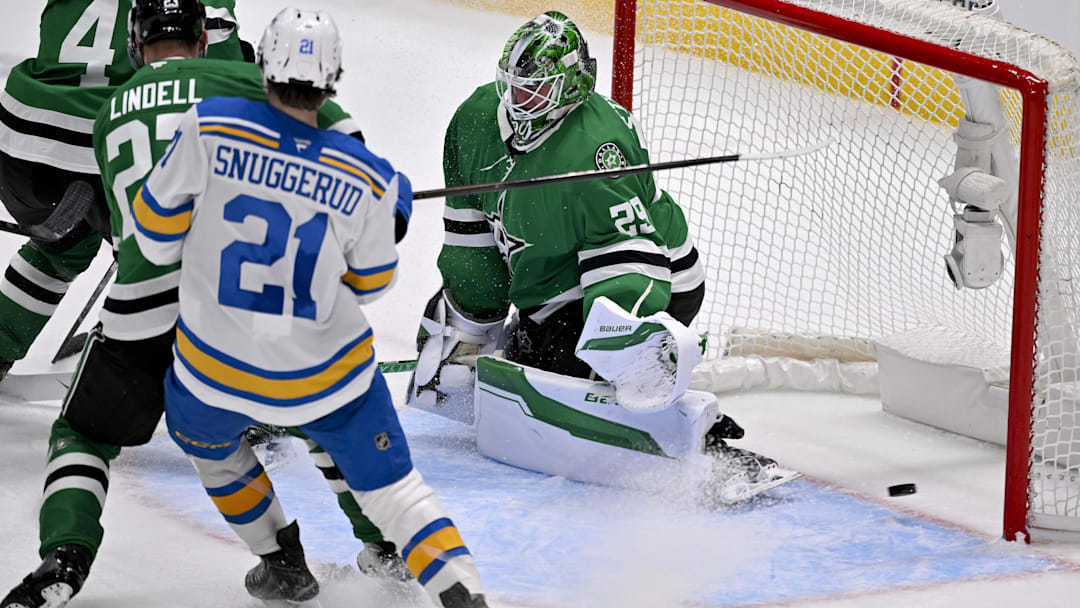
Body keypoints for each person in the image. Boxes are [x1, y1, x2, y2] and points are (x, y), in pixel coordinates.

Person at [1, 3, 400, 607]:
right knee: (318, 414)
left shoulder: (111, 115)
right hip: (252, 301)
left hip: (142, 309)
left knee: (83, 433)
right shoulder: (245, 83)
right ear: (206, 38)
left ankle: (66, 554)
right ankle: (386, 550)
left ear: (135, 46)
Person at [129, 7, 487, 607]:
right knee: (397, 494)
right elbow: (371, 284)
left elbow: (151, 237)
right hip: (324, 378)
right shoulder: (366, 175)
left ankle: (279, 563)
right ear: (334, 76)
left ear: (261, 63)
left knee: (207, 445)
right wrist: (388, 208)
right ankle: (461, 590)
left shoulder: (210, 125)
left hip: (212, 371)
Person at [408, 11, 794, 497]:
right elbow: (472, 245)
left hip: (654, 278)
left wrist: (620, 349)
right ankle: (539, 343)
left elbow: (632, 272)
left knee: (601, 369)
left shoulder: (598, 148)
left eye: (537, 90)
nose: (519, 100)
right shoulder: (475, 119)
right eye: (512, 85)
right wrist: (469, 328)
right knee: (512, 351)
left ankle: (703, 446)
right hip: (552, 280)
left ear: (570, 88)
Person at [0, 0, 249, 381]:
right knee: (166, 266)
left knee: (59, 250)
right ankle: (231, 385)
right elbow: (228, 81)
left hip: (24, 147)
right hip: (123, 142)